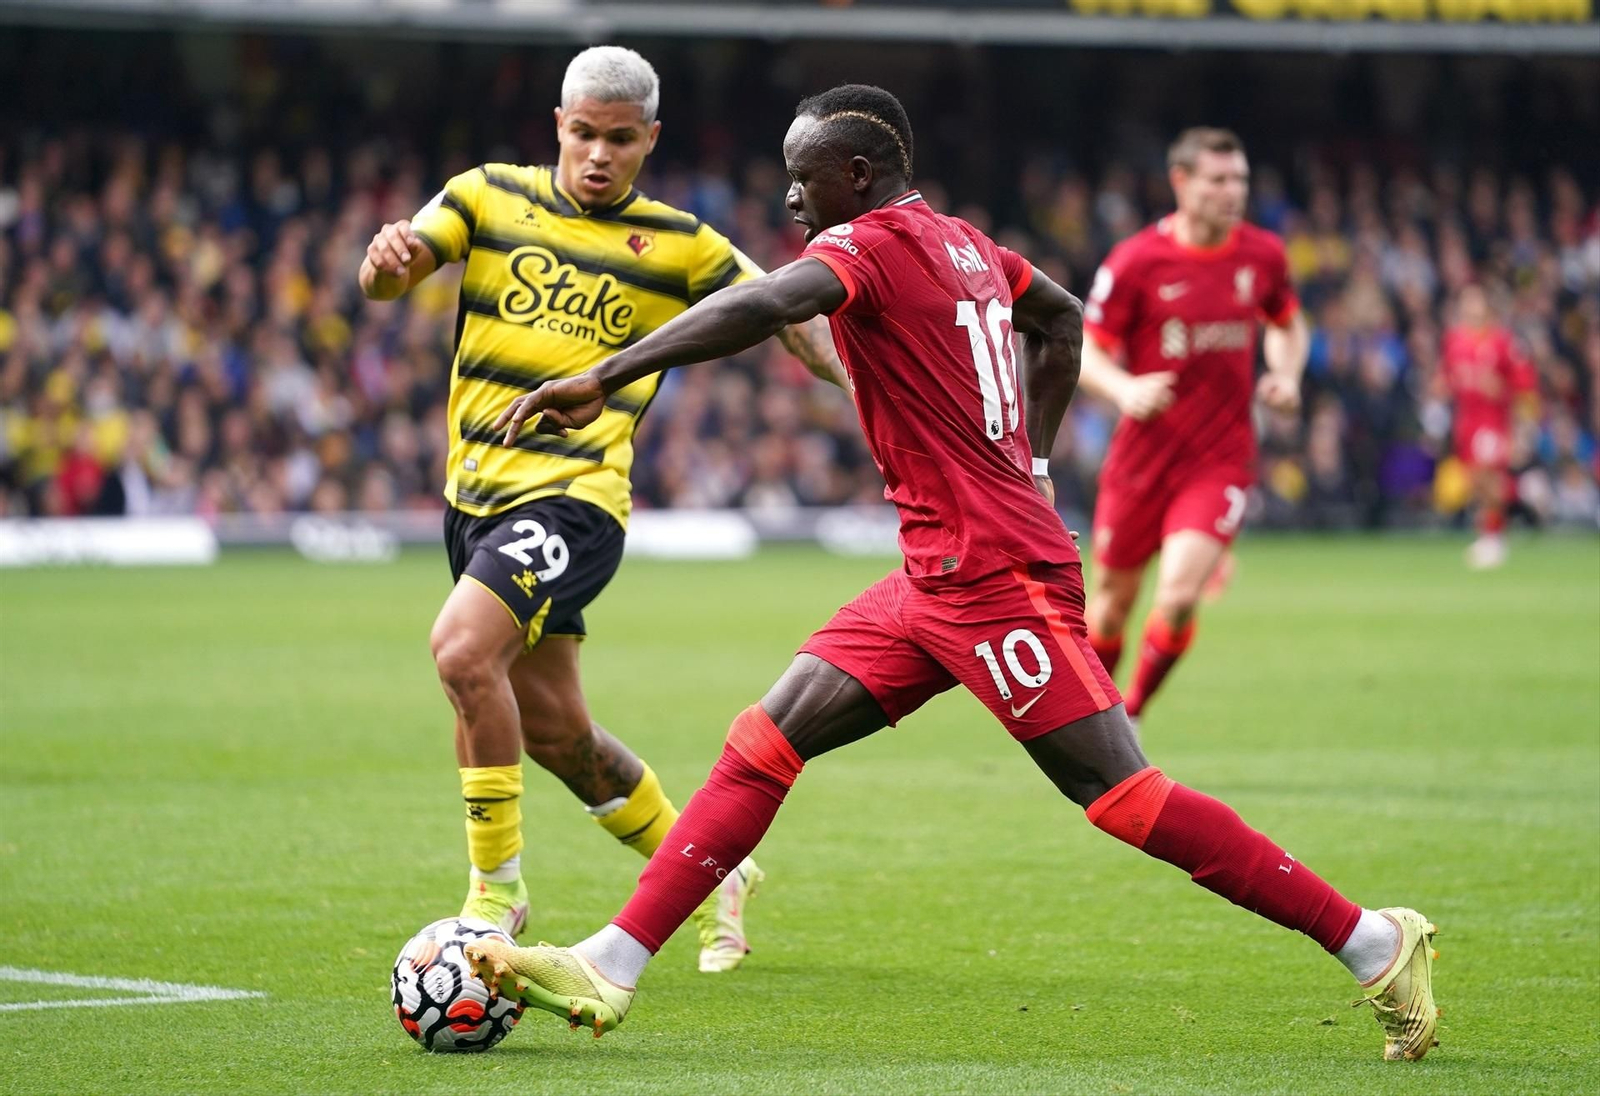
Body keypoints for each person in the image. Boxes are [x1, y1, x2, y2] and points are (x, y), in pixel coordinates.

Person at [459, 85, 1441, 1062]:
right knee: (764, 738)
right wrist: (1039, 463)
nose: (792, 208)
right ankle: (613, 961)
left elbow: (766, 302)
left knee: (1123, 796)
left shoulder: (867, 245)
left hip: (994, 575)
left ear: (855, 175)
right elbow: (1057, 321)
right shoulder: (970, 242)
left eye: (802, 185)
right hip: (936, 572)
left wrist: (606, 371)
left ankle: (1372, 939)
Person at [357, 46, 845, 972]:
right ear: (558, 125)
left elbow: (793, 312)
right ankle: (716, 872)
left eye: (620, 139)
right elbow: (394, 273)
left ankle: (494, 898)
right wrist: (383, 265)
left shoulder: (682, 245)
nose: (598, 155)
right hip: (474, 503)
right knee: (557, 737)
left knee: (462, 651)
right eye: (583, 133)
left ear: (649, 140)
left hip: (576, 500)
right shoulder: (486, 195)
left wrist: (866, 384)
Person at [1075, 128, 1309, 722]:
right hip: (1142, 459)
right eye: (1219, 180)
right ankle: (1091, 725)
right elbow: (1087, 351)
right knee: (1109, 609)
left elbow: (1286, 322)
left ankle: (1129, 719)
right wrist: (1126, 388)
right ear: (1182, 182)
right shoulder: (1136, 261)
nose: (1234, 192)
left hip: (1220, 458)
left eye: (1241, 181)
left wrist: (1286, 375)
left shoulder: (1262, 255)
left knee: (1178, 596)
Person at [1439, 283, 1536, 569]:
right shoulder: (1454, 341)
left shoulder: (1503, 342)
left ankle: (1494, 538)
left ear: (1487, 306)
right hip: (1466, 421)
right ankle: (1491, 531)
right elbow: (1447, 377)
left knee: (1489, 479)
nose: (1470, 307)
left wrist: (1519, 423)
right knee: (1475, 481)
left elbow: (1523, 385)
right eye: (1465, 302)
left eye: (1475, 301)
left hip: (1493, 420)